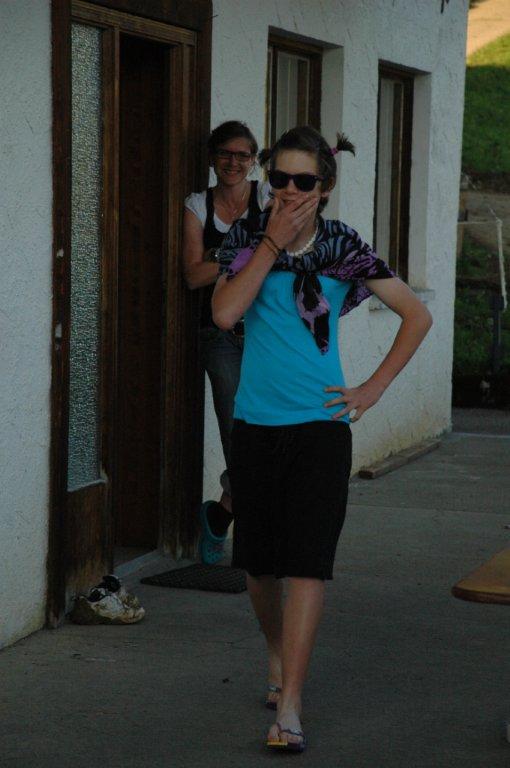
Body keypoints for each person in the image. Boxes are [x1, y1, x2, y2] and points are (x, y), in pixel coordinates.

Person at [212, 126, 433, 752]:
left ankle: (291, 704)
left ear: (325, 187)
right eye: (279, 178)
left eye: (302, 180)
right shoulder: (246, 240)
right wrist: (270, 243)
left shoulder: (342, 246)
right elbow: (225, 313)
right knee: (260, 567)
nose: (288, 190)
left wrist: (372, 389)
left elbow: (416, 315)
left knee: (307, 565)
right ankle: (277, 654)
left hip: (320, 428)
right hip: (256, 425)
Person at [183, 121, 271, 565]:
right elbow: (192, 275)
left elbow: (279, 259)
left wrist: (219, 257)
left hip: (265, 332)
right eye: (225, 154)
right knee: (237, 431)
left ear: (253, 160)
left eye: (243, 155)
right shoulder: (198, 204)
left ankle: (221, 515)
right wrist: (240, 254)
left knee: (269, 429)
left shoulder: (267, 198)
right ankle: (253, 533)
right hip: (218, 336)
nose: (233, 162)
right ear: (212, 158)